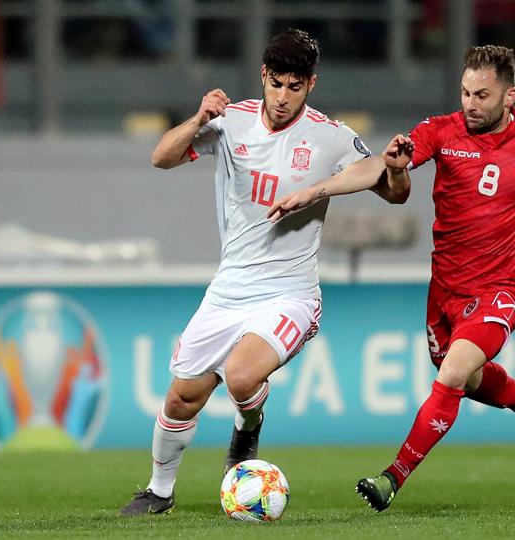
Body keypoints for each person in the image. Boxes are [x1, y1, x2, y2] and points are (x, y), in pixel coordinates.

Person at [268, 44, 515, 512]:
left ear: (509, 96)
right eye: (465, 92)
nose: (470, 104)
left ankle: (391, 478)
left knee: (453, 372)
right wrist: (319, 189)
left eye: (482, 95)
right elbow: (382, 170)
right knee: (466, 379)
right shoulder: (440, 131)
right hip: (446, 292)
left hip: (501, 291)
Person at [119, 28, 409, 516]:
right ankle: (159, 492)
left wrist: (364, 178)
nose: (282, 97)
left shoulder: (329, 136)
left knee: (239, 376)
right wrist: (197, 118)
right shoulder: (230, 121)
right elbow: (160, 157)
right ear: (263, 76)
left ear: (311, 85)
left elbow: (390, 187)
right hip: (229, 288)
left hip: (290, 293)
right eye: (276, 84)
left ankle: (246, 428)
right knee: (181, 398)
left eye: (295, 87)